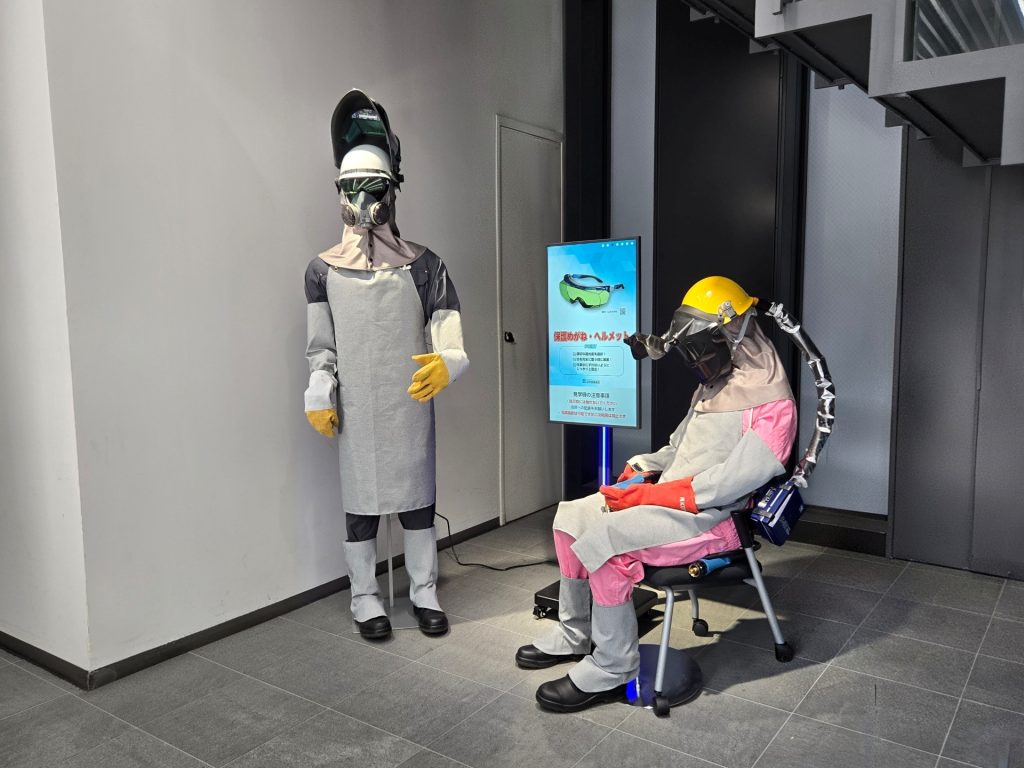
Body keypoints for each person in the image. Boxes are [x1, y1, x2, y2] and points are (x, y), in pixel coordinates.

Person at [515, 276, 797, 712]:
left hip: (714, 520)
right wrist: (641, 468)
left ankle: (613, 667)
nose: (695, 360)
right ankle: (576, 633)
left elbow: (732, 483)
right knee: (570, 518)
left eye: (699, 346)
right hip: (671, 503)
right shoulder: (713, 388)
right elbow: (677, 449)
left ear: (729, 334)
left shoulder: (774, 404)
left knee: (606, 542)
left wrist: (653, 498)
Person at [303, 89, 468, 640]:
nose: (362, 199)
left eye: (372, 187)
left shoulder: (426, 266)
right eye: (351, 188)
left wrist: (448, 363)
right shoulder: (322, 271)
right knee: (361, 509)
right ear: (339, 192)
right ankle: (364, 597)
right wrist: (319, 393)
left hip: (408, 404)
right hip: (357, 410)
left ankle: (423, 590)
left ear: (392, 190)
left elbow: (449, 331)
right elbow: (321, 346)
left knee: (418, 504)